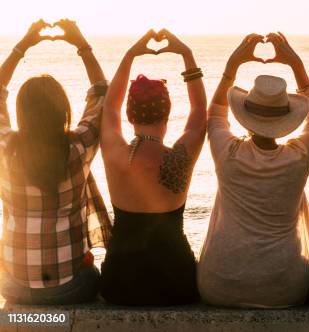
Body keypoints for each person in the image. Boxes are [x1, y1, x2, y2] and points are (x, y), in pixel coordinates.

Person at [197, 33, 309, 308]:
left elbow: (215, 112)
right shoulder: (299, 157)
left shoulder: (228, 154)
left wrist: (233, 66)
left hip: (219, 283)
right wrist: (296, 65)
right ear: (286, 119)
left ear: (246, 118)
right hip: (285, 287)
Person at [0, 19, 111, 304]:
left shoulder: (5, 150)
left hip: (14, 286)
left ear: (21, 113)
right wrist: (81, 45)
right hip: (70, 288)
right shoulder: (78, 147)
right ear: (63, 112)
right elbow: (102, 92)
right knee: (95, 273)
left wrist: (23, 45)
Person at [99, 29, 206, 306]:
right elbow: (198, 110)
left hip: (119, 282)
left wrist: (130, 55)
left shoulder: (115, 153)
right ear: (167, 111)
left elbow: (110, 105)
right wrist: (186, 53)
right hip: (176, 282)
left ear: (129, 113)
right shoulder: (181, 156)